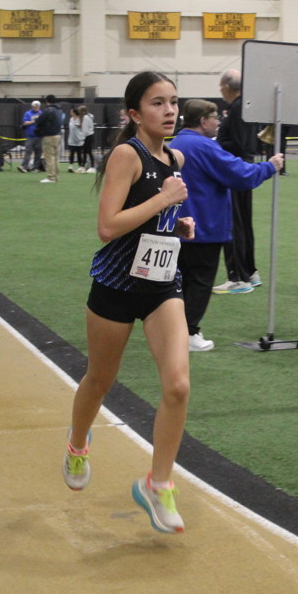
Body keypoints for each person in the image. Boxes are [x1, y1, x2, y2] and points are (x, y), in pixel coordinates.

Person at [62, 71, 194, 535]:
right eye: (158, 103)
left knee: (178, 386)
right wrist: (164, 201)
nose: (170, 110)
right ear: (135, 113)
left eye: (173, 101)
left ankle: (158, 485)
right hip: (116, 285)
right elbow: (108, 226)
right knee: (100, 379)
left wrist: (177, 222)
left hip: (162, 285)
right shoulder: (126, 155)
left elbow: (157, 215)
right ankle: (78, 445)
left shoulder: (175, 157)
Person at [171, 99, 283, 351]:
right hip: (204, 225)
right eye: (215, 117)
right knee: (200, 281)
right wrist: (270, 166)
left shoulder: (176, 143)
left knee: (182, 282)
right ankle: (188, 333)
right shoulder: (204, 146)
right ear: (203, 121)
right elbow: (240, 175)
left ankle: (175, 332)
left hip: (178, 225)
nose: (219, 122)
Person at [210, 69, 262, 294]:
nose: (220, 90)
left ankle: (238, 277)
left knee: (234, 224)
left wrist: (214, 144)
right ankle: (249, 272)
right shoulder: (245, 107)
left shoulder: (238, 108)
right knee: (243, 223)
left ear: (228, 87)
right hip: (242, 170)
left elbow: (239, 145)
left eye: (221, 86)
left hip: (235, 171)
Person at [36, 94, 63, 184]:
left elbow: (39, 121)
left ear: (47, 101)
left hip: (49, 136)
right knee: (55, 158)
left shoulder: (48, 110)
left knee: (49, 157)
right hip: (58, 135)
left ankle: (51, 177)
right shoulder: (59, 110)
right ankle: (56, 176)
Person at [19, 100, 42, 173]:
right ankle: (24, 166)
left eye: (37, 106)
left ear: (39, 107)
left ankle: (35, 168)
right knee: (28, 152)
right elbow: (25, 123)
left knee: (38, 153)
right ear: (32, 106)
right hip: (30, 136)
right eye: (34, 106)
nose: (36, 107)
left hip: (39, 136)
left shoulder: (41, 113)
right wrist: (34, 121)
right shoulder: (28, 113)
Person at [79, 105, 96, 173]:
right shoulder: (89, 116)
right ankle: (83, 166)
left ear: (83, 111)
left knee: (88, 152)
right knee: (85, 152)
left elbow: (85, 129)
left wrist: (82, 138)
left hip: (88, 136)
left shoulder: (85, 117)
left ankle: (92, 167)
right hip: (90, 135)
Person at [66, 107, 84, 173]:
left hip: (79, 139)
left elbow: (82, 127)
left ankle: (80, 166)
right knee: (72, 153)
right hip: (71, 139)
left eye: (71, 112)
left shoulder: (80, 119)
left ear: (74, 112)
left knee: (79, 153)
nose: (70, 113)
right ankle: (70, 166)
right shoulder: (71, 119)